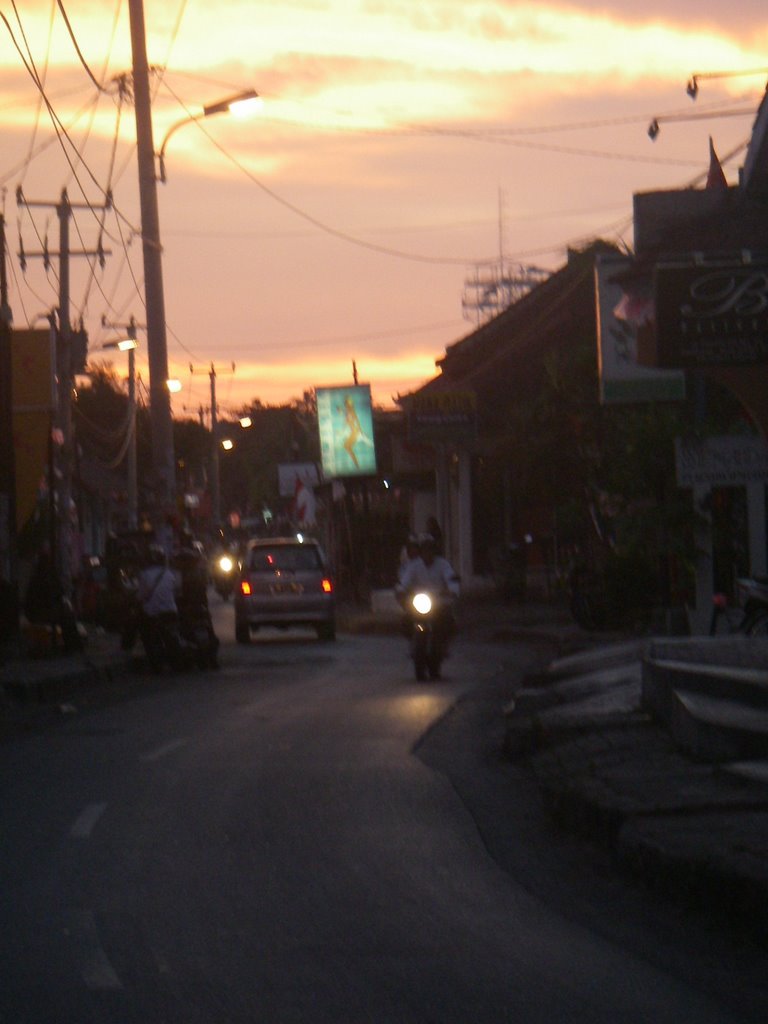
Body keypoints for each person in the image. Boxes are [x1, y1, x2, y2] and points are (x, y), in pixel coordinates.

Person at [23, 543, 83, 653]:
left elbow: (59, 593)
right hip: (37, 612)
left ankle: (73, 644)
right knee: (65, 615)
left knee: (67, 614)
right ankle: (73, 645)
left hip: (44, 609)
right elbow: (45, 598)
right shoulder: (39, 579)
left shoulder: (48, 577)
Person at [135, 545, 179, 669]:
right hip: (171, 611)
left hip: (152, 613)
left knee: (144, 630)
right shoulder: (169, 574)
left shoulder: (144, 575)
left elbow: (141, 596)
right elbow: (175, 591)